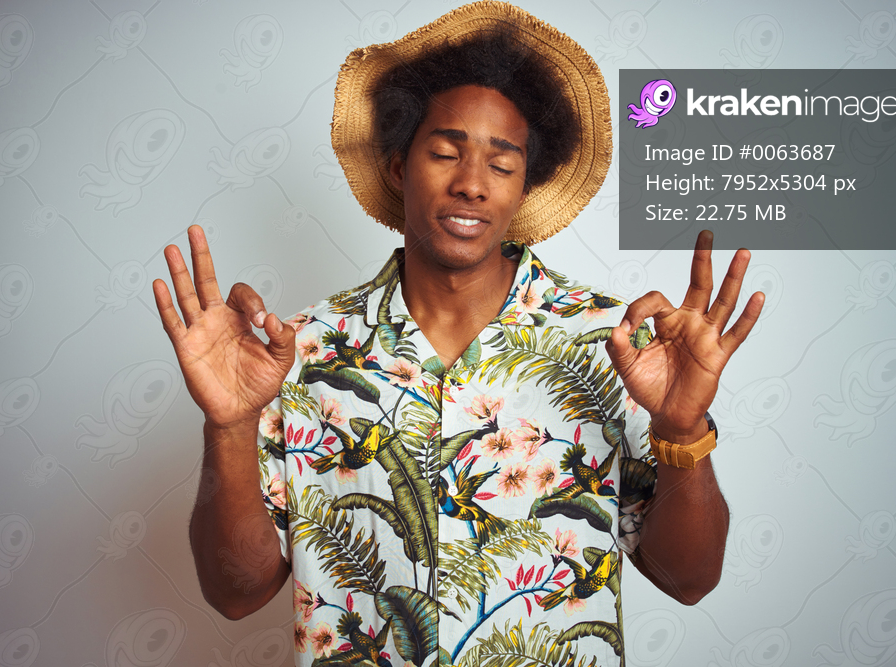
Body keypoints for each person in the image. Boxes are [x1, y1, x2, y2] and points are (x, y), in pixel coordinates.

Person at [152, 2, 764, 665]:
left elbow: (689, 580)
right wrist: (229, 426)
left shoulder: (615, 346)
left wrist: (681, 429)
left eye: (502, 165)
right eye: (445, 153)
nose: (471, 183)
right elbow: (235, 594)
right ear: (398, 167)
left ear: (524, 187)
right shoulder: (295, 353)